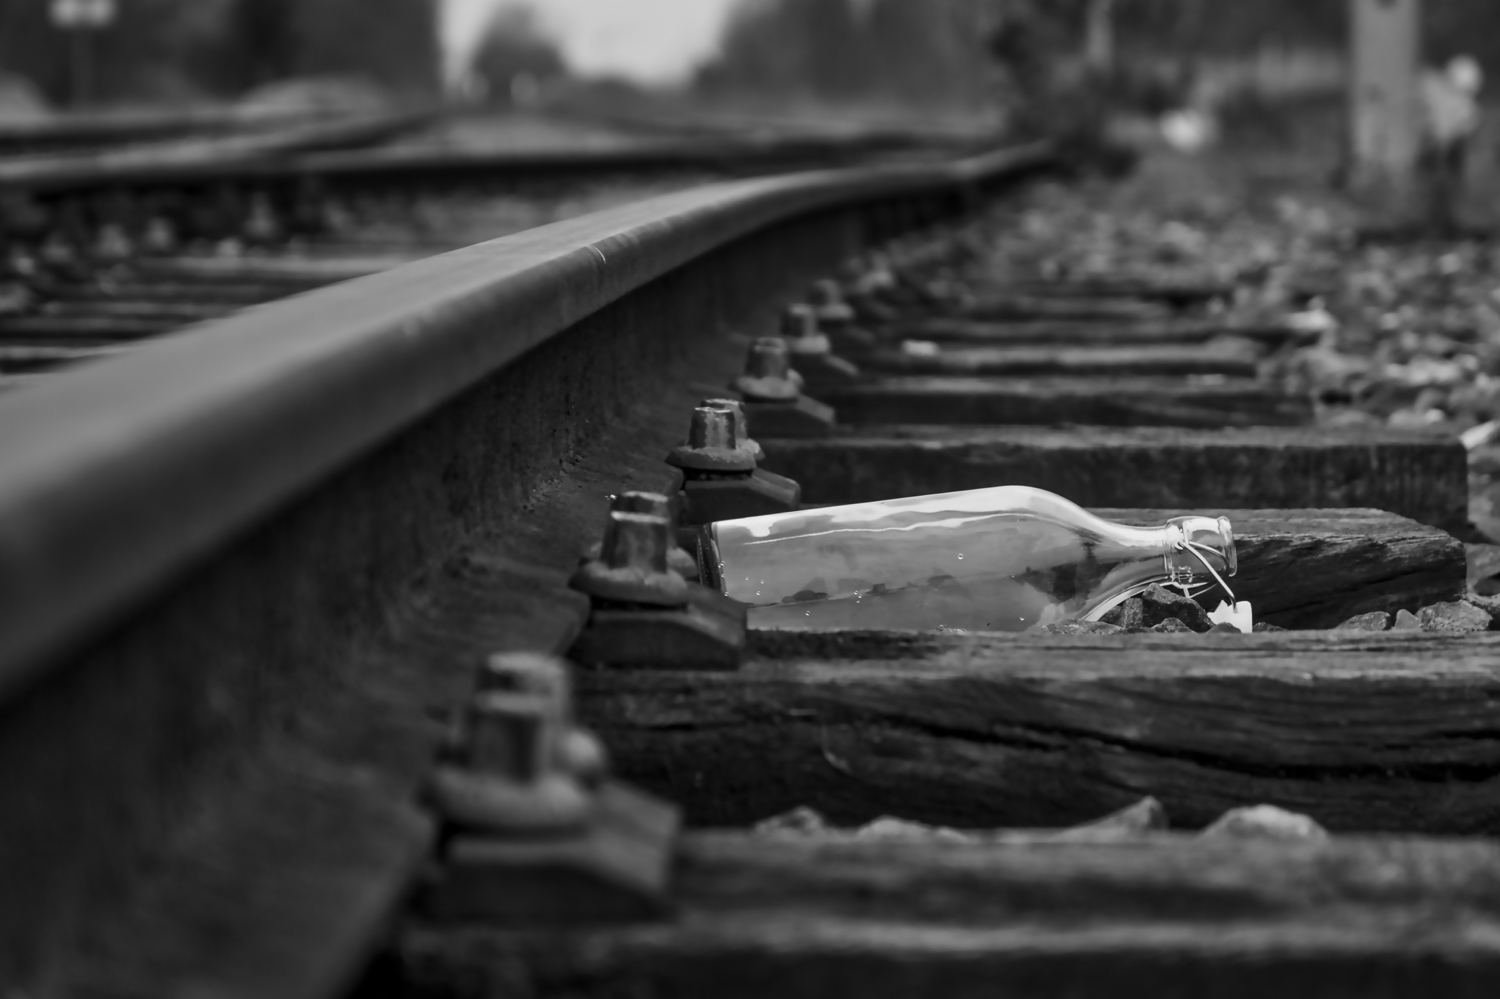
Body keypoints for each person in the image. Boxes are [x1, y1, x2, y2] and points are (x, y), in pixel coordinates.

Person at [1420, 55, 1484, 233]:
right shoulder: (1442, 98)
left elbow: (1464, 126)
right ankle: (1442, 219)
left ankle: (1447, 219)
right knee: (1442, 184)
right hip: (1442, 150)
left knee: (1449, 184)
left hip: (1450, 150)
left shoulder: (1465, 107)